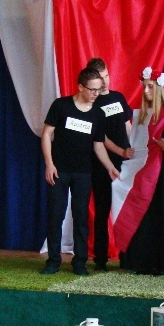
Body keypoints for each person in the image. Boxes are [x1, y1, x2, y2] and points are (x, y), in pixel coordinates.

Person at [41, 67, 119, 276]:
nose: (96, 94)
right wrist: (49, 164)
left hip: (84, 172)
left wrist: (110, 167)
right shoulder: (61, 105)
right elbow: (47, 134)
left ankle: (80, 262)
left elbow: (98, 145)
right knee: (55, 215)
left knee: (81, 217)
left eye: (99, 89)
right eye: (92, 89)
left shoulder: (98, 113)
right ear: (80, 87)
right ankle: (53, 261)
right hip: (59, 170)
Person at [115, 67, 164, 275]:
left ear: (160, 88)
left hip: (162, 172)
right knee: (144, 216)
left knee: (161, 217)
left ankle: (160, 262)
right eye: (144, 87)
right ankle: (140, 260)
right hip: (143, 170)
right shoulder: (143, 115)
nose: (145, 91)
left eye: (150, 87)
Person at [87, 58, 134, 271]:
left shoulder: (118, 97)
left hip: (125, 162)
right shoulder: (93, 104)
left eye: (106, 76)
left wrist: (132, 150)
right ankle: (101, 258)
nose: (105, 81)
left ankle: (127, 256)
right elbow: (101, 138)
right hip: (103, 164)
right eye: (100, 78)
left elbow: (128, 126)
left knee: (125, 210)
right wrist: (120, 151)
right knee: (103, 210)